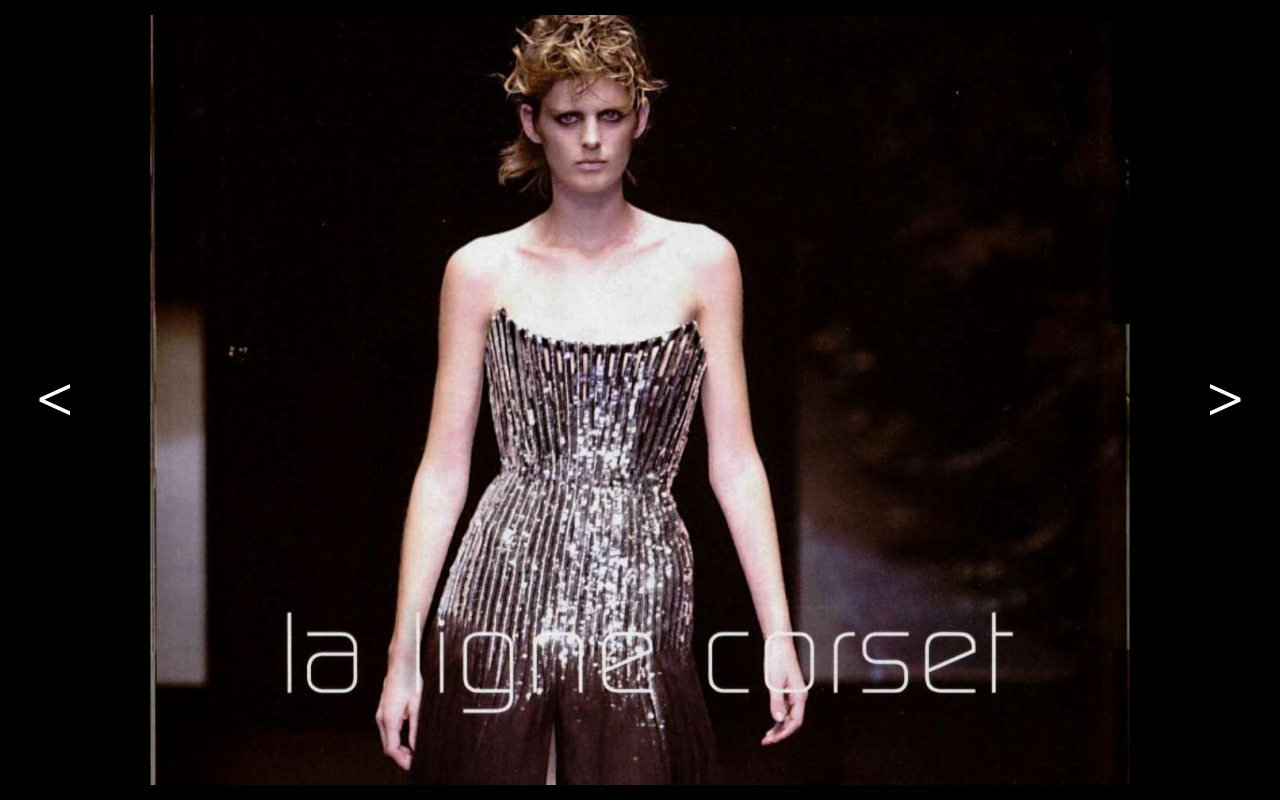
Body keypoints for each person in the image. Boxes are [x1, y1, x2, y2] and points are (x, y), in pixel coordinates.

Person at [375, 15, 806, 785]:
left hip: (641, 580)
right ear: (530, 124)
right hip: (500, 582)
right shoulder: (480, 271)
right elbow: (442, 470)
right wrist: (402, 652)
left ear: (642, 118)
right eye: (569, 118)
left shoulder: (704, 262)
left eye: (610, 115)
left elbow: (735, 461)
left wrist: (779, 631)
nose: (593, 140)